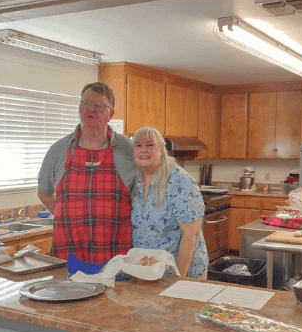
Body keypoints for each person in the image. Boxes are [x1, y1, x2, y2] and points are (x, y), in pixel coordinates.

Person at [37, 82, 137, 263]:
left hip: (116, 256)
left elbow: (142, 195)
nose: (91, 109)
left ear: (110, 114)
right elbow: (44, 192)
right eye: (85, 104)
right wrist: (67, 218)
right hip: (68, 255)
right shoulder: (58, 150)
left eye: (99, 105)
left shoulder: (128, 150)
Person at [130, 126, 208, 278]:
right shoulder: (136, 180)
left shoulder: (180, 181)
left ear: (161, 150)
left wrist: (180, 277)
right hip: (150, 273)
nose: (143, 150)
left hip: (182, 273)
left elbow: (190, 234)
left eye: (150, 145)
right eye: (138, 145)